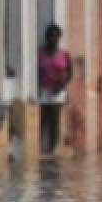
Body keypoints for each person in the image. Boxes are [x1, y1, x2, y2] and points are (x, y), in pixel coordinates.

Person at [38, 24, 73, 156]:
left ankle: (52, 148)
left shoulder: (64, 55)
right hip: (43, 90)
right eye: (51, 36)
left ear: (59, 38)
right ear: (47, 38)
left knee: (54, 119)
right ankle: (41, 146)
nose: (53, 39)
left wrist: (62, 85)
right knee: (43, 119)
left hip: (58, 91)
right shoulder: (40, 54)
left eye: (56, 36)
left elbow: (70, 72)